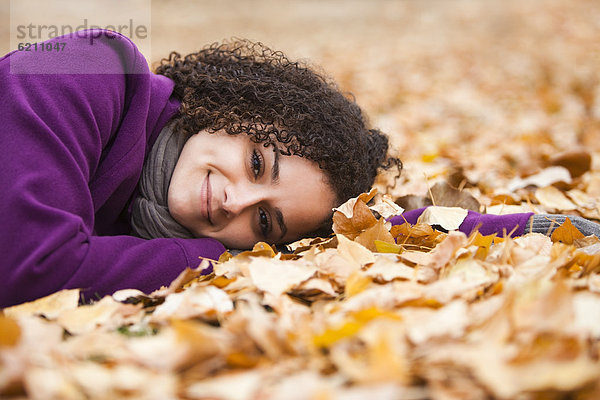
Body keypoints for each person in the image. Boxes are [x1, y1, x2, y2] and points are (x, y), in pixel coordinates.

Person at [0, 29, 399, 307]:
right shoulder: (89, 68)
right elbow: (31, 267)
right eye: (257, 163)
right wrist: (207, 256)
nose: (234, 201)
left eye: (263, 220)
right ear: (234, 110)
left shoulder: (156, 215)